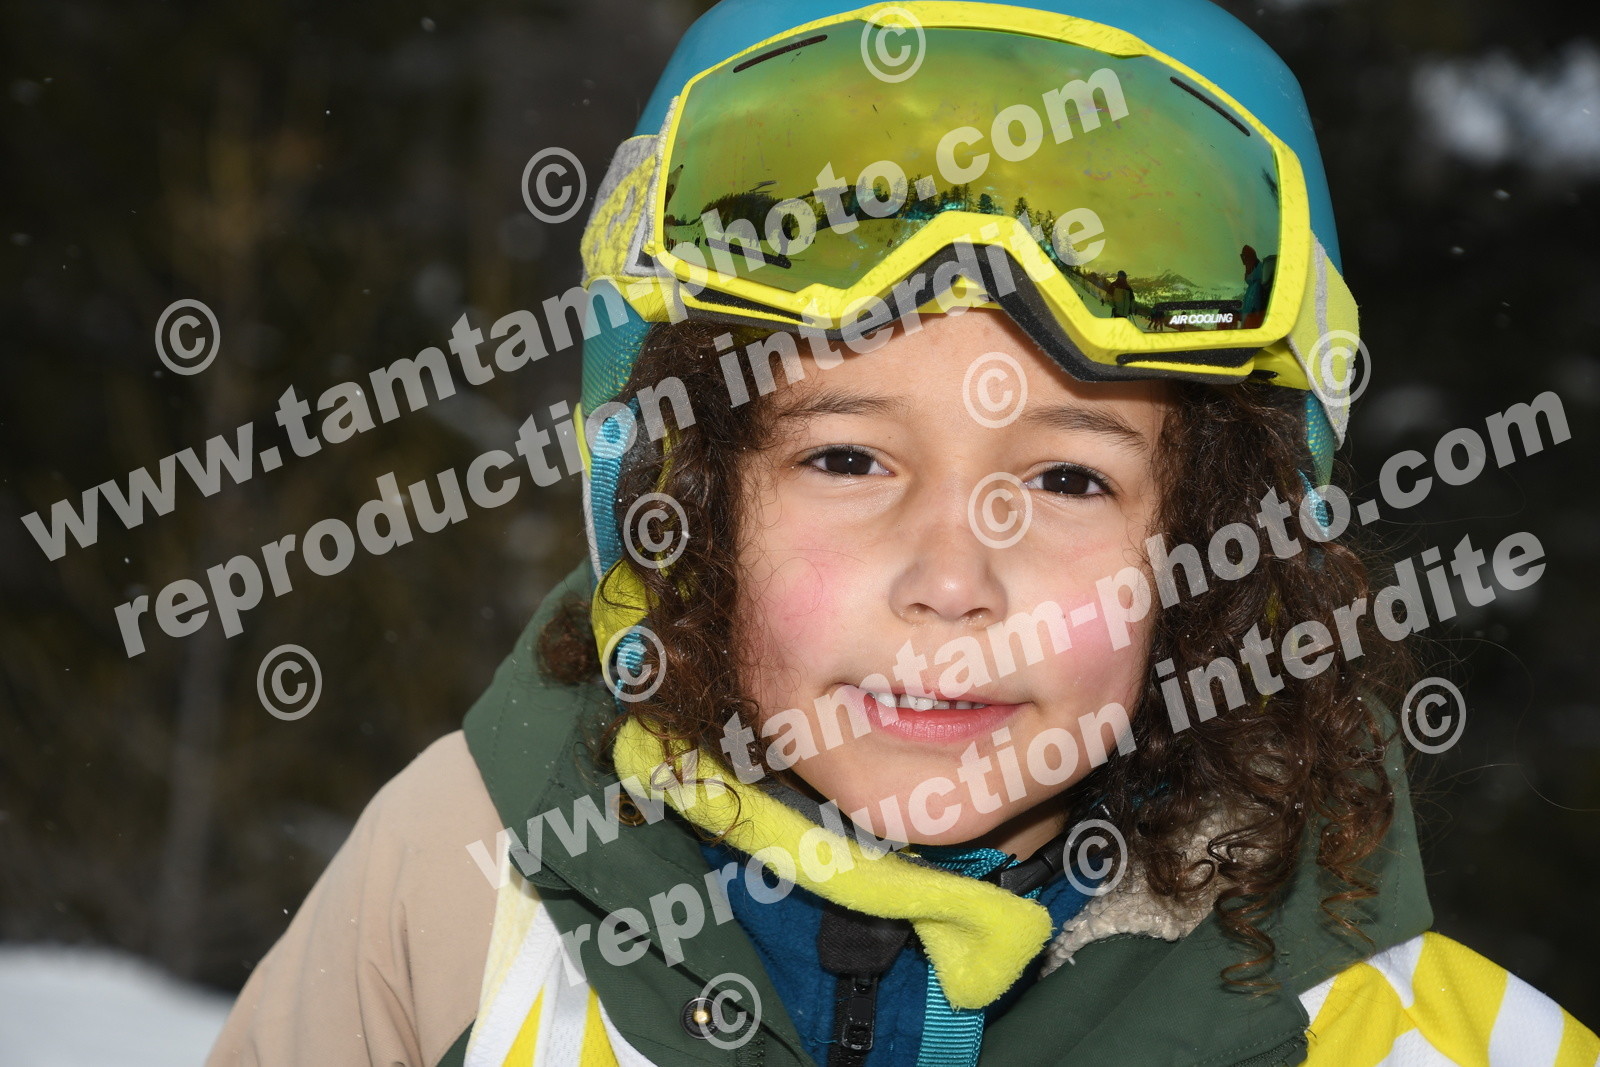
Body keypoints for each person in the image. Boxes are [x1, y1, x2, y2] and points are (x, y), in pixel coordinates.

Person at [208, 2, 1600, 1065]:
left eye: (1068, 481)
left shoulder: (1399, 1036)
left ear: (1217, 555)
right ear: (685, 505)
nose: (951, 581)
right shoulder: (468, 889)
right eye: (847, 457)